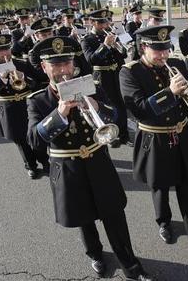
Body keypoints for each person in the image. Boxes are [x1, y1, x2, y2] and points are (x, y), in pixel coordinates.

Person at [26, 36, 153, 281]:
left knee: (114, 215)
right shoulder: (38, 100)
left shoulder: (91, 86)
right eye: (56, 65)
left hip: (98, 161)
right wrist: (60, 112)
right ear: (44, 68)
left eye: (67, 64)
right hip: (69, 168)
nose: (64, 71)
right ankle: (95, 253)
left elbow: (115, 116)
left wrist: (97, 106)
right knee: (84, 218)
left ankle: (131, 265)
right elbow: (34, 140)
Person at [120, 25, 188, 248]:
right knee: (159, 185)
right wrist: (169, 93)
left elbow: (185, 102)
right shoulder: (129, 71)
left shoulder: (176, 64)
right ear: (144, 47)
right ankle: (164, 221)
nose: (164, 55)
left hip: (181, 133)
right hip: (154, 138)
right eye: (158, 50)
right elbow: (140, 109)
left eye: (166, 49)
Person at [0, 34, 49, 179]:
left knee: (35, 135)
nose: (5, 53)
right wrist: (2, 78)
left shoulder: (21, 63)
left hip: (26, 104)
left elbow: (36, 84)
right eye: (0, 50)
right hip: (8, 107)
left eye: (7, 49)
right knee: (20, 140)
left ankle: (45, 161)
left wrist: (23, 76)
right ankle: (30, 166)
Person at [82, 9, 132, 148]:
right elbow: (91, 60)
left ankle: (124, 134)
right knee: (109, 106)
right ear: (92, 22)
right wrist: (105, 46)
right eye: (100, 23)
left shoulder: (110, 35)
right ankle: (110, 136)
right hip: (102, 77)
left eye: (105, 22)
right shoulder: (87, 40)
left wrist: (119, 45)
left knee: (121, 104)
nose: (104, 25)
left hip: (115, 74)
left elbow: (122, 56)